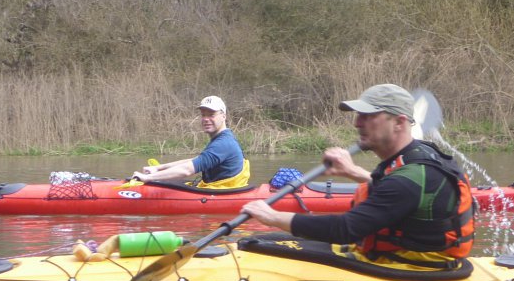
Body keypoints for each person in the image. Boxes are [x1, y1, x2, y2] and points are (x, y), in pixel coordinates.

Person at [241, 84, 475, 271]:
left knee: (259, 241)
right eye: (358, 115)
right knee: (265, 239)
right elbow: (400, 197)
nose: (357, 123)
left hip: (412, 266)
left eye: (368, 115)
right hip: (403, 254)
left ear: (399, 122)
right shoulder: (418, 154)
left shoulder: (410, 178)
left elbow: (346, 228)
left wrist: (272, 216)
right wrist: (354, 172)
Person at [131, 96, 250, 189]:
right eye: (203, 115)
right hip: (214, 189)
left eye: (211, 115)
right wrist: (159, 168)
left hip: (219, 194)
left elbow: (187, 170)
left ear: (223, 116)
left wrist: (147, 178)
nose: (206, 119)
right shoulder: (222, 138)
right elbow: (197, 161)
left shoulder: (223, 144)